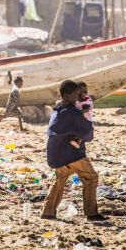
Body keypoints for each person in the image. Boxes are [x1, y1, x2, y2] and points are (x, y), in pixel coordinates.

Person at [41, 80, 104, 221]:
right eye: (76, 94)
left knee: (60, 179)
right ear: (68, 96)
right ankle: (92, 213)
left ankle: (47, 211)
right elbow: (88, 133)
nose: (79, 97)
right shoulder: (73, 113)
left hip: (56, 153)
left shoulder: (57, 110)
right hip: (73, 154)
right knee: (91, 178)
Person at [70, 81, 93, 149]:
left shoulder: (87, 100)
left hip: (86, 122)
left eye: (86, 92)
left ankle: (78, 142)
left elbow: (86, 110)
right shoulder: (75, 100)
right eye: (82, 91)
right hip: (77, 122)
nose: (85, 94)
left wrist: (78, 112)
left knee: (81, 132)